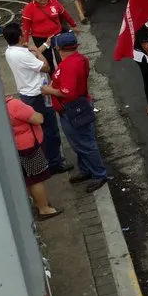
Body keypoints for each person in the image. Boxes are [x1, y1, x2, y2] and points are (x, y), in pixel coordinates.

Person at [41, 32, 108, 193]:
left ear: (58, 48)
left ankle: (99, 174)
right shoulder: (79, 60)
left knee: (85, 143)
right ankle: (86, 170)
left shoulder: (69, 66)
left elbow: (67, 92)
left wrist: (49, 89)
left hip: (72, 109)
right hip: (77, 106)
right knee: (79, 143)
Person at [3, 23, 70, 174]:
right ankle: (55, 163)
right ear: (20, 37)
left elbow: (31, 57)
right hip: (38, 94)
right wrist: (39, 54)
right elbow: (45, 66)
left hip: (27, 94)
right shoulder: (23, 54)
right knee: (50, 129)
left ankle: (48, 159)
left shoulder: (10, 51)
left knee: (39, 129)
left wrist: (45, 44)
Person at [6, 95, 63, 220]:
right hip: (29, 146)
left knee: (29, 178)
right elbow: (38, 119)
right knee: (37, 179)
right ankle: (44, 209)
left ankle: (38, 204)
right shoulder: (13, 105)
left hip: (19, 146)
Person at [20, 0, 77, 72]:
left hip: (57, 35)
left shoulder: (54, 2)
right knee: (47, 60)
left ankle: (62, 75)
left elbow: (64, 14)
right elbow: (26, 27)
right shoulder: (28, 9)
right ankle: (53, 78)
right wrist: (25, 41)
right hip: (40, 39)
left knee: (60, 59)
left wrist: (73, 25)